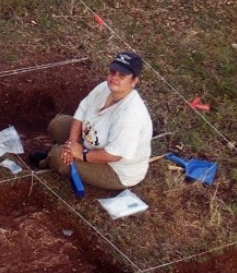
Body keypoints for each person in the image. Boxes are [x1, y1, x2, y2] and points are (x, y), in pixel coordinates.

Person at [31, 52, 152, 190]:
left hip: (115, 169)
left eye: (122, 75)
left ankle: (51, 158)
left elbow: (114, 155)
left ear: (134, 81)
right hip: (93, 139)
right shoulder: (105, 88)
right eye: (113, 72)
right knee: (57, 125)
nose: (114, 78)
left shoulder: (130, 116)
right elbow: (82, 112)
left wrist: (82, 155)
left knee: (58, 159)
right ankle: (67, 151)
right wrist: (72, 142)